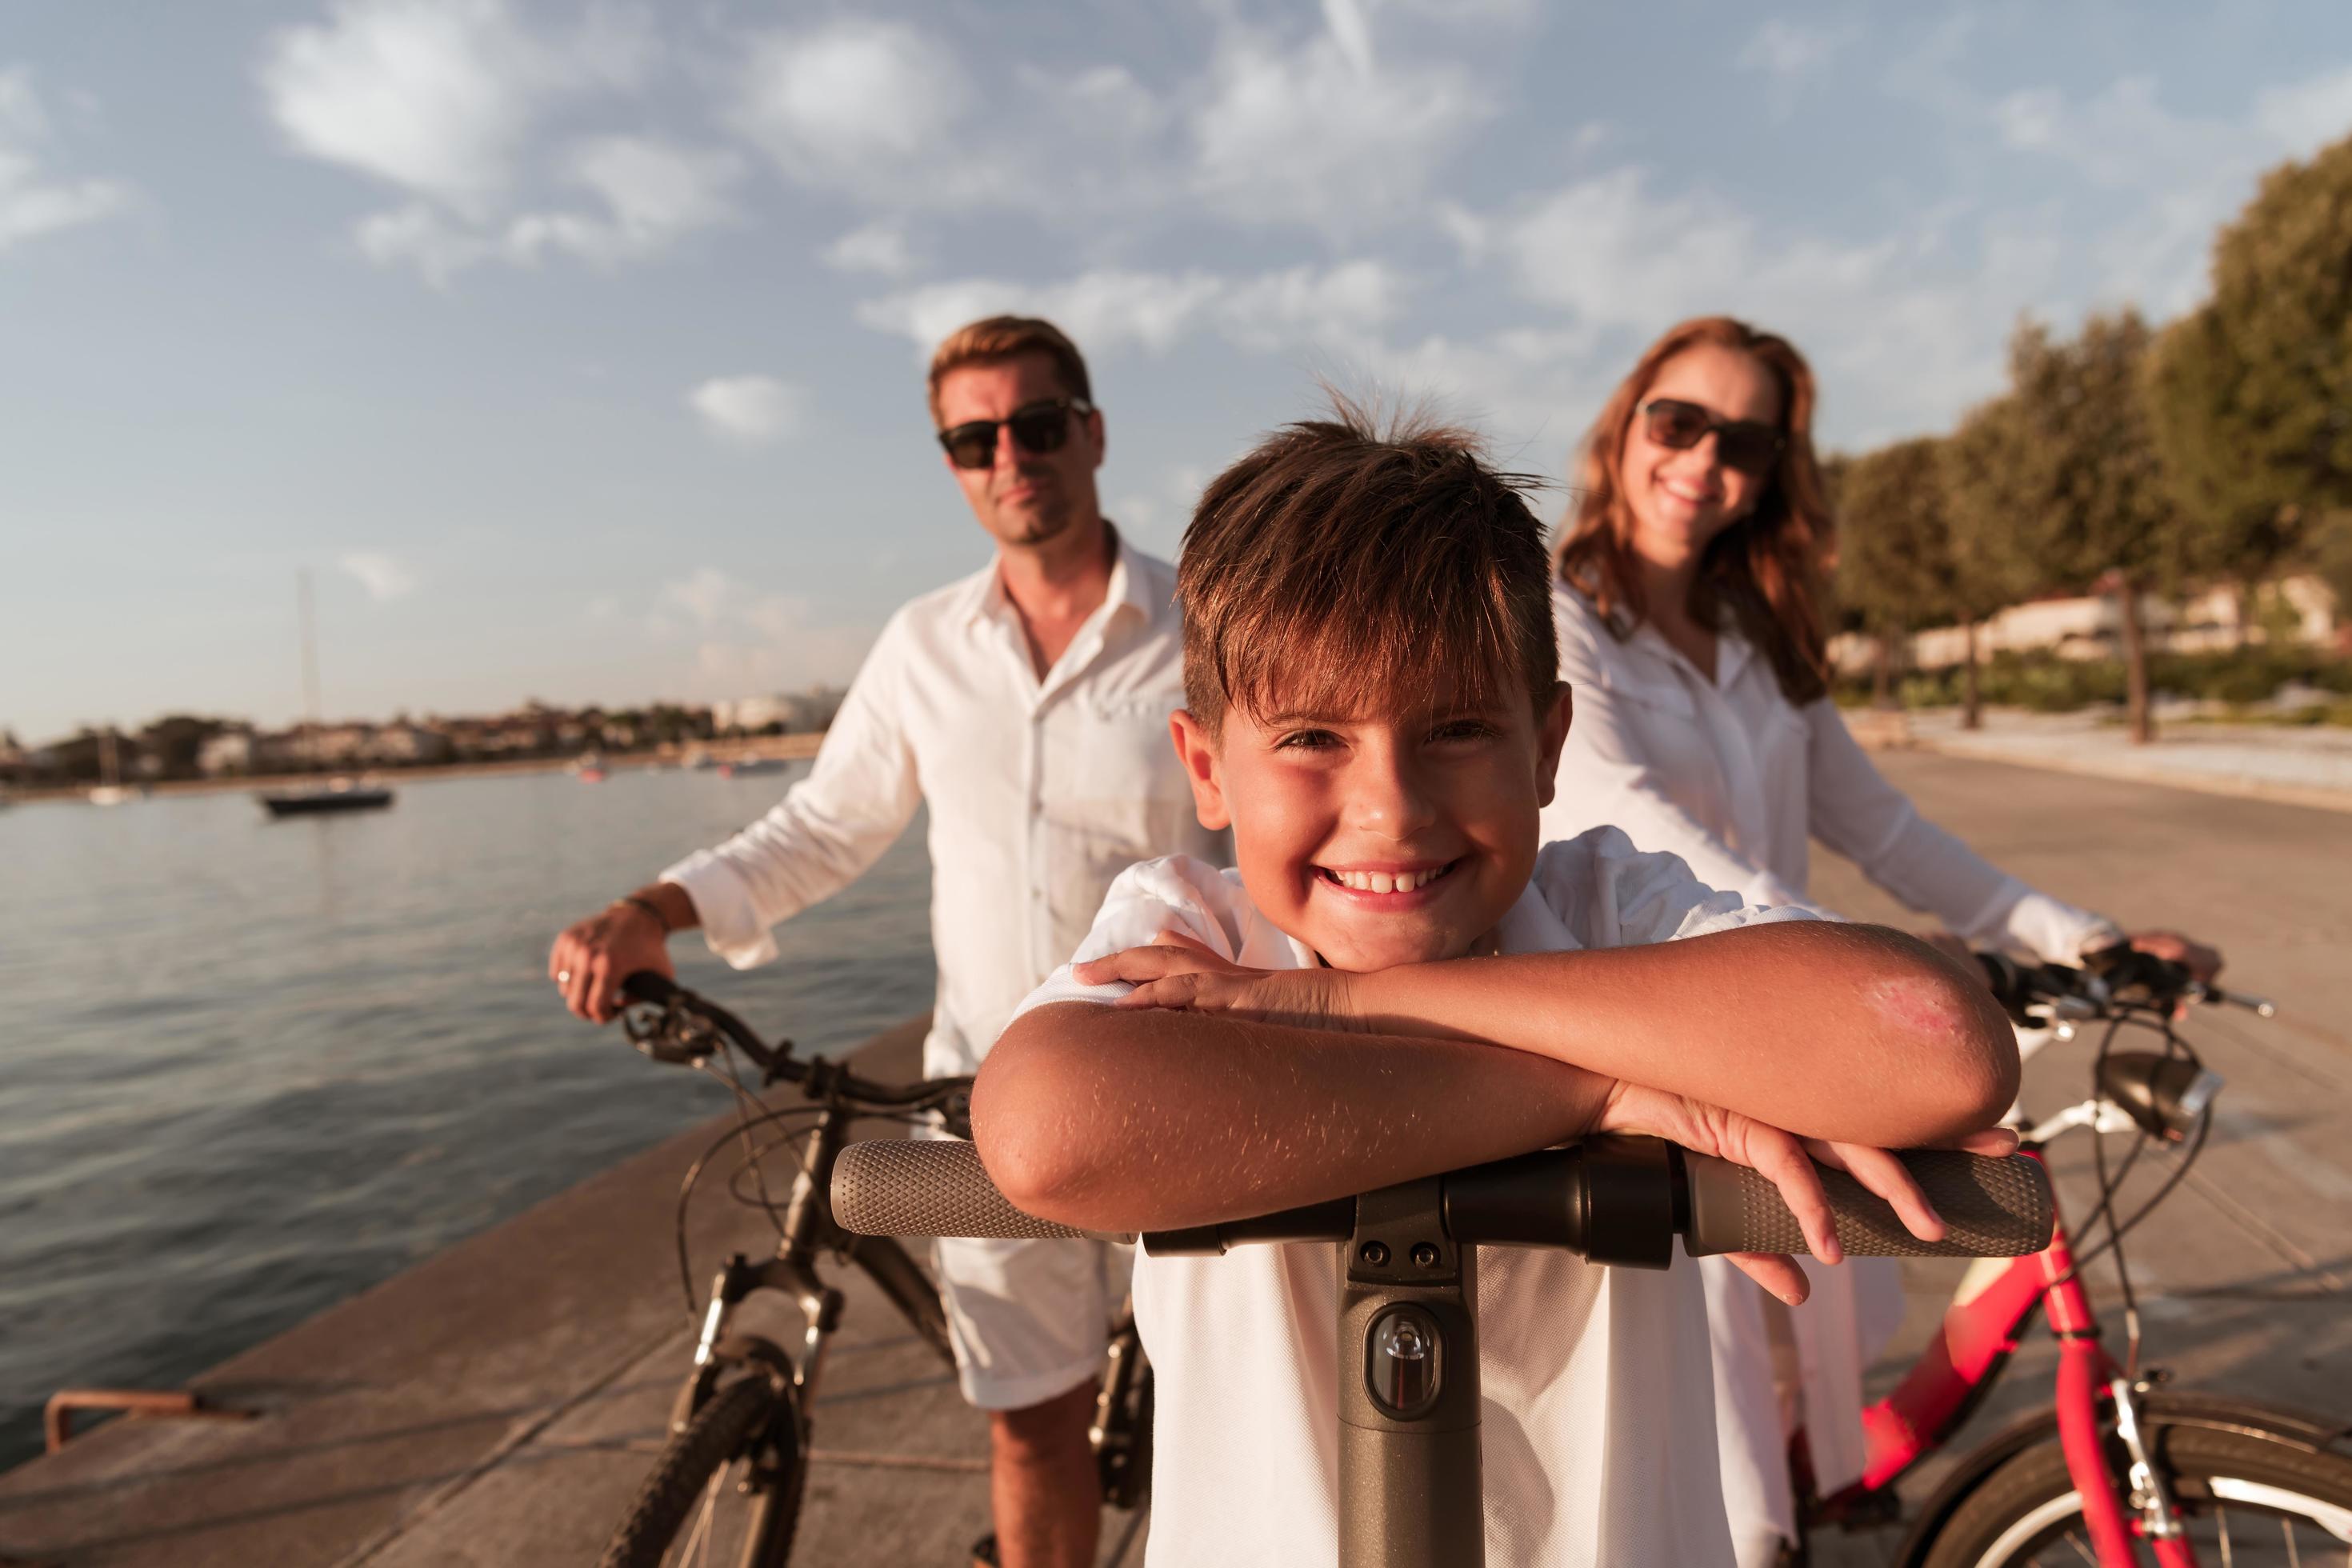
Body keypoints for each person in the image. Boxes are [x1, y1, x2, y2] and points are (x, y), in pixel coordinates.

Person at [971, 405, 2022, 1566]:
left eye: (1460, 728)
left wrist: (1345, 1007)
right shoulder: (1195, 931)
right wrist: (1588, 1094)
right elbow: (1046, 1131)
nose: (1392, 810)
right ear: (1208, 768)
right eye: (1314, 738)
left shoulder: (1613, 908)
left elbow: (1937, 1045)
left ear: (1548, 747)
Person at [1538, 314, 2226, 1566]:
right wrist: (1874, 977)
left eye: (1743, 440)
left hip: (1804, 1039)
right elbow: (1636, 824)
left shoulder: (1757, 642)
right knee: (1710, 1434)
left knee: (1800, 1387)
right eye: (1677, 422)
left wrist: (2091, 943)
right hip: (1670, 1056)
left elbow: (1892, 832)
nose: (1703, 461)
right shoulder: (1559, 617)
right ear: (1624, 426)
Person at [548, 316, 1221, 1568]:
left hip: (1179, 1091)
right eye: (974, 438)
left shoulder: (1201, 623)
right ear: (953, 462)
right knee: (1029, 1427)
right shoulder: (925, 646)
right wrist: (656, 909)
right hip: (985, 1098)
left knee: (1222, 1422)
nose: (1008, 456)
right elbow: (821, 827)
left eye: (1035, 424)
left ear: (1093, 431)